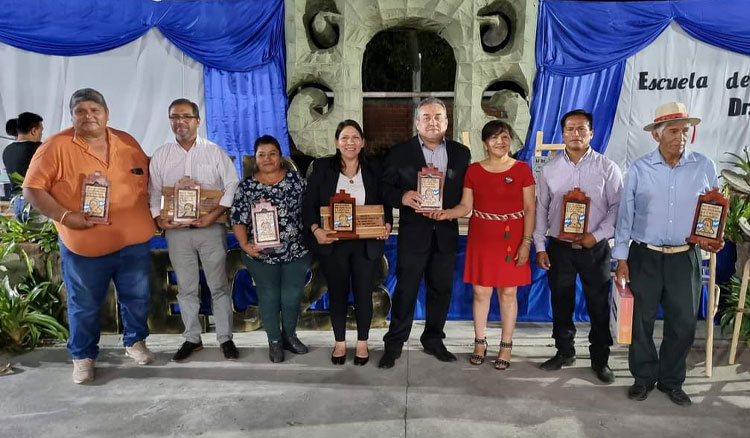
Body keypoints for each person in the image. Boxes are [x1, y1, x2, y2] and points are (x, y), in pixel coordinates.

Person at [22, 88, 156, 384]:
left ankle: (135, 342)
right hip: (85, 247)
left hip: (133, 242)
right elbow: (32, 189)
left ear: (107, 113)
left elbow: (150, 179)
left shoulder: (127, 141)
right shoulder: (55, 146)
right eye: (80, 111)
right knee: (84, 304)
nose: (89, 116)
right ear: (72, 116)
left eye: (95, 110)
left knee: (137, 298)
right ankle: (83, 356)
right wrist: (65, 217)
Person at [614, 101, 722, 406]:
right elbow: (625, 216)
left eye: (685, 130)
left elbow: (712, 210)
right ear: (657, 135)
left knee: (684, 322)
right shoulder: (639, 168)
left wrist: (714, 237)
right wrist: (621, 259)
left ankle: (672, 380)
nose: (680, 136)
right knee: (640, 322)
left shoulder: (704, 166)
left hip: (685, 257)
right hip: (644, 255)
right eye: (673, 130)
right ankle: (644, 378)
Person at [427, 120, 535, 369]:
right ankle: (479, 342)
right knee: (481, 292)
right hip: (483, 236)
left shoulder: (522, 170)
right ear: (485, 143)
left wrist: (526, 243)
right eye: (495, 137)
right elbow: (466, 207)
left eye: (505, 137)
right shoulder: (474, 170)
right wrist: (446, 213)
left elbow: (530, 209)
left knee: (508, 293)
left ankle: (506, 346)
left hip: (512, 237)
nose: (501, 141)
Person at [378, 97, 471, 369]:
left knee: (441, 290)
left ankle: (433, 339)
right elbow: (384, 189)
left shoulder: (460, 154)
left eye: (438, 117)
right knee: (406, 290)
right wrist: (403, 196)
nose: (433, 122)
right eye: (427, 117)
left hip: (445, 233)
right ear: (417, 122)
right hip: (413, 234)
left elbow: (468, 191)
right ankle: (394, 344)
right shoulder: (399, 153)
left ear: (446, 121)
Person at [534, 109, 623, 383]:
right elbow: (541, 209)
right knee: (561, 303)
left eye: (581, 129)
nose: (575, 134)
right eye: (570, 129)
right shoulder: (549, 169)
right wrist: (540, 245)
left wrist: (595, 236)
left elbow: (618, 209)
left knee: (598, 304)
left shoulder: (607, 168)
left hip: (595, 249)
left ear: (591, 133)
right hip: (559, 248)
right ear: (562, 134)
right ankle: (564, 351)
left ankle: (600, 359)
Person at [148, 98, 240, 362]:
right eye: (174, 117)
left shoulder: (214, 152)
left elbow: (232, 185)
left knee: (218, 285)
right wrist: (158, 218)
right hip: (177, 232)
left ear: (197, 120)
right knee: (186, 288)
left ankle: (225, 338)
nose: (180, 122)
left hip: (210, 229)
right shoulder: (162, 155)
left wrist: (213, 215)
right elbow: (153, 191)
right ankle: (192, 338)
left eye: (186, 117)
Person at [302, 120, 392, 366]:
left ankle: (362, 343)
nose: (350, 142)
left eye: (355, 138)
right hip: (333, 244)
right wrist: (315, 229)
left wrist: (387, 224)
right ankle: (340, 342)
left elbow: (385, 202)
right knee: (338, 294)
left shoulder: (374, 168)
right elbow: (308, 205)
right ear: (336, 142)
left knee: (364, 294)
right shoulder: (322, 168)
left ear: (362, 142)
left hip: (366, 244)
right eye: (344, 138)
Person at [231, 135, 310, 363]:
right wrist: (245, 244)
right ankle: (274, 340)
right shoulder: (246, 186)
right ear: (255, 158)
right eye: (261, 155)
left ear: (280, 156)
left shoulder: (296, 181)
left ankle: (290, 335)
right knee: (269, 296)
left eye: (272, 153)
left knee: (292, 296)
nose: (267, 159)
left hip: (296, 251)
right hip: (261, 254)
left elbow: (310, 210)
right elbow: (237, 219)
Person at [3, 112, 43, 219]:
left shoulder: (7, 151)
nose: (41, 134)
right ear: (34, 130)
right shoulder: (38, 149)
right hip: (37, 203)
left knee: (25, 234)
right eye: (41, 130)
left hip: (17, 202)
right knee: (42, 234)